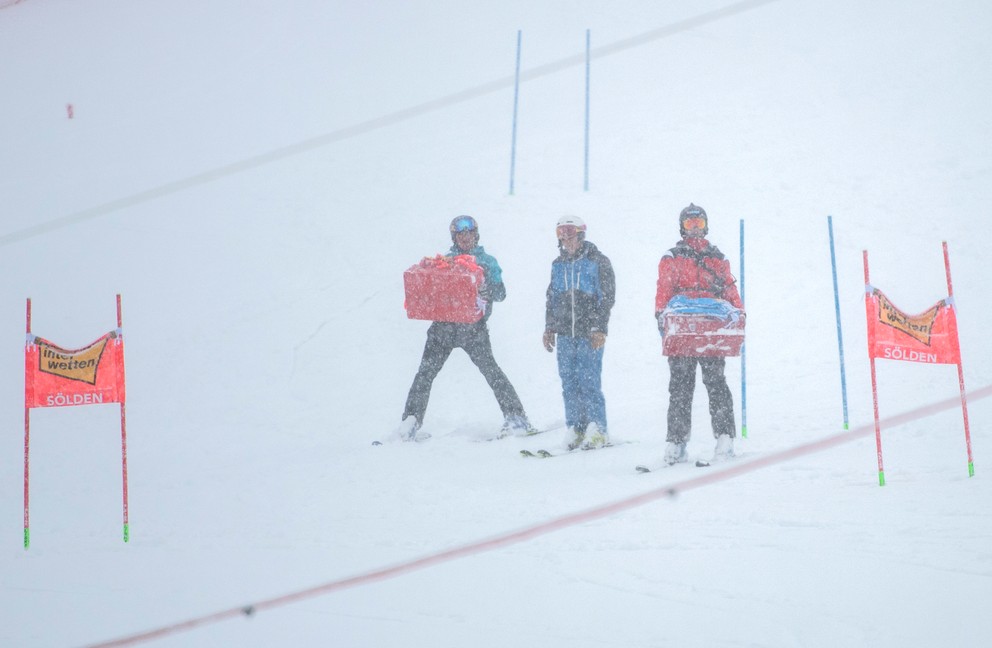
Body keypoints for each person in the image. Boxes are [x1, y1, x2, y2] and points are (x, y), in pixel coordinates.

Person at [398, 215, 533, 441]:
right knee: (425, 374)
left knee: (492, 372)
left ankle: (516, 417)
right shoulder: (445, 262)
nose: (465, 238)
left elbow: (501, 293)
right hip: (443, 329)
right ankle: (410, 422)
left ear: (476, 235)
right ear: (454, 237)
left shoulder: (487, 262)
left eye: (469, 233)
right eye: (460, 234)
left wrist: (487, 289)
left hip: (473, 329)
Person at [655, 203, 744, 464]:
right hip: (682, 328)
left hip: (710, 329)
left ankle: (725, 438)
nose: (695, 229)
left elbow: (728, 290)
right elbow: (664, 290)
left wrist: (739, 312)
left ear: (706, 226)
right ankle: (677, 441)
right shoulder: (672, 257)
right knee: (680, 387)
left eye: (699, 223)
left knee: (715, 383)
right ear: (682, 227)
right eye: (690, 224)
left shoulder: (717, 258)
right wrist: (661, 316)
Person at [543, 215, 616, 450]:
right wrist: (550, 327)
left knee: (589, 381)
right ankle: (575, 427)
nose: (566, 239)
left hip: (589, 333)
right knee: (569, 381)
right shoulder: (558, 264)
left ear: (581, 234)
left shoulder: (598, 261)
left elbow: (606, 297)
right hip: (566, 333)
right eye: (561, 234)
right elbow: (552, 297)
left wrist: (599, 327)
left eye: (570, 233)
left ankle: (597, 428)